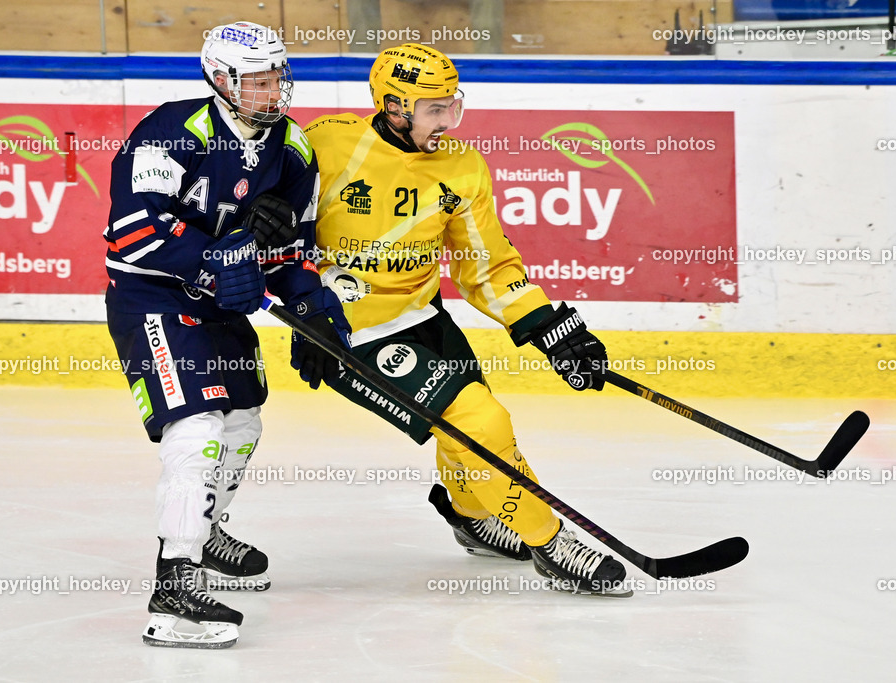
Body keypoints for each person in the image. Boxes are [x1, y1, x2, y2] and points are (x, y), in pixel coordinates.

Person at [299, 43, 627, 595]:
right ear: (394, 106)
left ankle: (471, 517)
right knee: (479, 419)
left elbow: (487, 266)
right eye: (434, 109)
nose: (448, 121)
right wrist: (304, 309)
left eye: (453, 106)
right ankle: (551, 543)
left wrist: (548, 326)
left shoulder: (464, 167)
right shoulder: (327, 142)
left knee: (463, 432)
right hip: (345, 331)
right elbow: (273, 225)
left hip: (423, 318)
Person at [104, 21, 348, 648]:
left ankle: (205, 532)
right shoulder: (169, 130)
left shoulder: (292, 147)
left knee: (243, 423)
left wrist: (311, 303)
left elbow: (294, 248)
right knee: (198, 429)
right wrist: (220, 259)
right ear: (219, 79)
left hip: (221, 304)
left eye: (277, 79)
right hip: (153, 299)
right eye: (257, 82)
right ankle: (174, 589)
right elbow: (134, 232)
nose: (272, 92)